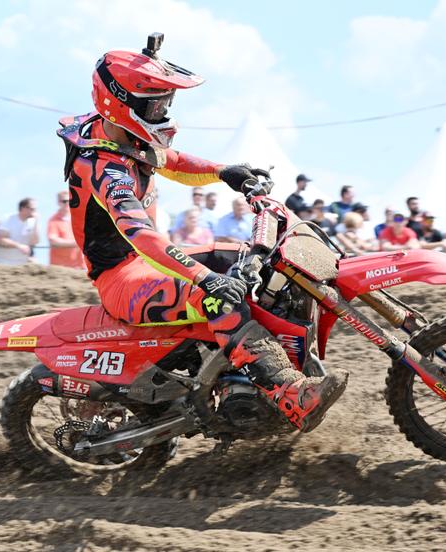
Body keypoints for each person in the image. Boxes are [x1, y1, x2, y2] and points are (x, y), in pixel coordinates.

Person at [55, 34, 345, 432]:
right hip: (123, 279)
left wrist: (224, 172)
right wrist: (203, 277)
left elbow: (170, 160)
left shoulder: (120, 136)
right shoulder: (104, 168)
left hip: (146, 265)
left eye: (165, 103)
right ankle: (287, 392)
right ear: (121, 103)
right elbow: (140, 234)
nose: (163, 110)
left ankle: (259, 365)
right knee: (217, 297)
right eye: (155, 103)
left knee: (246, 262)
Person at [48, 189, 85, 269]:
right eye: (64, 201)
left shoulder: (79, 218)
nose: (67, 203)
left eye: (69, 200)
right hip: (59, 268)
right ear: (58, 202)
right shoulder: (53, 220)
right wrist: (76, 243)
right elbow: (53, 241)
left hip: (78, 266)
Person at [0, 198, 40, 265]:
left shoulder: (32, 222)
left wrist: (36, 222)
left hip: (23, 264)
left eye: (35, 209)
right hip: (5, 262)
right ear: (23, 208)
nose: (34, 212)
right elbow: (2, 240)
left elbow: (34, 242)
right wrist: (19, 246)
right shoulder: (8, 218)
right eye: (32, 209)